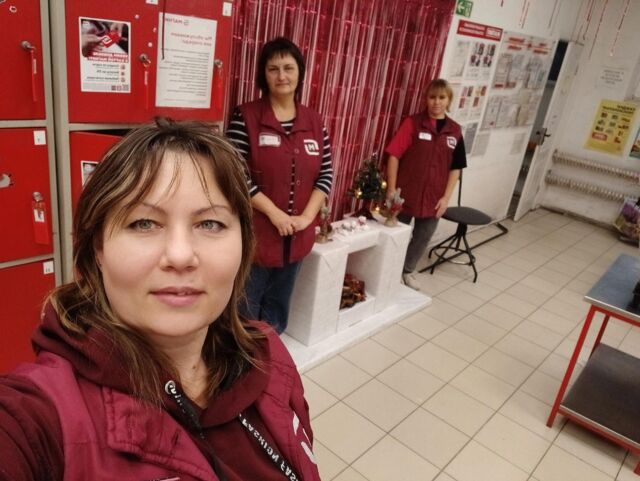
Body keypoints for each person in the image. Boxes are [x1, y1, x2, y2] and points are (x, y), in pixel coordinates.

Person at [0, 118, 321, 481]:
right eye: (143, 223)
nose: (180, 256)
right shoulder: (39, 417)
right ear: (97, 250)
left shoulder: (269, 353)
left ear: (244, 246)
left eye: (210, 224)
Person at [226, 37, 333, 334]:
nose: (281, 76)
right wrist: (275, 214)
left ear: (300, 72)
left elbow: (326, 173)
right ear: (264, 74)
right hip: (257, 234)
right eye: (273, 69)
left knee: (278, 305)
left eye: (288, 68)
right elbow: (234, 174)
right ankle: (242, 355)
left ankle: (271, 352)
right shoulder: (246, 116)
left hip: (298, 234)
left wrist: (306, 218)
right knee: (245, 308)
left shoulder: (315, 121)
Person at [384, 78, 467, 291]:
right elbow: (393, 155)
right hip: (404, 194)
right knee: (396, 235)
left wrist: (446, 198)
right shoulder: (412, 123)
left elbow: (456, 168)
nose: (436, 102)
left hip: (434, 198)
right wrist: (391, 189)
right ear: (426, 99)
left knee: (423, 237)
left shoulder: (455, 131)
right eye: (432, 97)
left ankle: (407, 270)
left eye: (441, 98)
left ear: (448, 100)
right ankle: (389, 272)